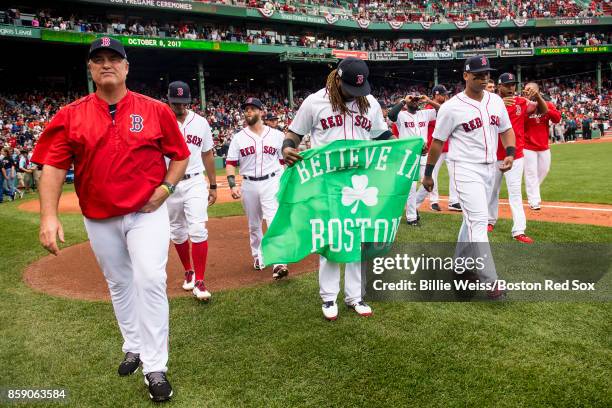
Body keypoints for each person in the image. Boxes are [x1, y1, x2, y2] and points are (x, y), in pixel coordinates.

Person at [31, 37, 189, 402]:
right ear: (89, 69)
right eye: (98, 59)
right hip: (100, 216)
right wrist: (49, 215)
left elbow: (179, 156)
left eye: (113, 58)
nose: (106, 64)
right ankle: (132, 344)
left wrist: (165, 188)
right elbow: (53, 166)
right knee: (118, 283)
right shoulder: (70, 115)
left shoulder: (154, 109)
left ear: (126, 67)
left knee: (149, 278)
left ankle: (154, 367)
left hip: (145, 213)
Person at [282, 57, 392, 320]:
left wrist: (408, 145)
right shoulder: (314, 101)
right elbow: (294, 133)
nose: (356, 95)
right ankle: (329, 297)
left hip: (361, 180)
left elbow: (384, 137)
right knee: (331, 236)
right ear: (338, 79)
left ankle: (355, 297)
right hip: (327, 180)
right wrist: (287, 147)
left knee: (358, 238)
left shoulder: (371, 103)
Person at [422, 55, 516, 300]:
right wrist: (429, 173)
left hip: (490, 168)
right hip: (464, 168)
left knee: (471, 220)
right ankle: (490, 280)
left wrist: (510, 153)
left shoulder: (495, 100)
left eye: (487, 74)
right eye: (478, 74)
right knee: (478, 222)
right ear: (465, 75)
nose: (484, 78)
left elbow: (506, 130)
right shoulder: (452, 106)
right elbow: (437, 142)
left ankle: (459, 267)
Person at [225, 97, 289, 280]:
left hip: (271, 182)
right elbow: (230, 163)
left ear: (261, 112)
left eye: (253, 109)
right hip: (249, 184)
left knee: (274, 221)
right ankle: (258, 256)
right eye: (246, 109)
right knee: (254, 225)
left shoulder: (277, 135)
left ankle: (278, 261)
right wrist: (232, 185)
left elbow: (283, 163)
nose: (248, 112)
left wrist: (285, 183)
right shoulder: (238, 138)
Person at [166, 81, 217, 301]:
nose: (180, 106)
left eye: (183, 102)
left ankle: (200, 280)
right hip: (169, 183)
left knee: (197, 229)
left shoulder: (201, 123)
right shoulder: (160, 120)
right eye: (176, 102)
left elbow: (207, 154)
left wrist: (213, 185)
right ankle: (188, 270)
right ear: (168, 99)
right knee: (177, 231)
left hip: (195, 180)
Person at [487, 73, 547, 244]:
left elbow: (543, 111)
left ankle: (519, 230)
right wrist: (496, 105)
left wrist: (538, 96)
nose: (511, 88)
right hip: (494, 154)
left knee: (515, 193)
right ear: (499, 87)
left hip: (516, 155)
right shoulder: (489, 102)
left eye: (513, 84)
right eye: (507, 85)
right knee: (492, 191)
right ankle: (490, 221)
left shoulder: (521, 101)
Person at [387, 92, 440, 225]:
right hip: (407, 156)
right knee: (410, 187)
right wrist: (404, 101)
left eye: (417, 99)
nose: (415, 101)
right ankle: (411, 217)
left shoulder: (425, 113)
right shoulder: (401, 115)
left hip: (423, 154)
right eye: (413, 99)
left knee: (429, 184)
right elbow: (390, 115)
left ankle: (414, 206)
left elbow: (442, 110)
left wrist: (428, 100)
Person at [523, 82, 561, 210]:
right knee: (531, 173)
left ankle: (533, 190)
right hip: (527, 145)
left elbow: (557, 119)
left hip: (543, 145)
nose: (530, 92)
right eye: (527, 90)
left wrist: (545, 107)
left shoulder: (547, 104)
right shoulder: (523, 105)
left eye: (532, 90)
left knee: (544, 170)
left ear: (538, 91)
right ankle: (534, 200)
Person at [424, 85, 459, 212]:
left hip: (448, 146)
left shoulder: (445, 108)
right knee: (432, 174)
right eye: (443, 94)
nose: (446, 96)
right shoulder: (428, 109)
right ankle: (433, 201)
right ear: (436, 95)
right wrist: (429, 102)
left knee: (454, 173)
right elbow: (440, 111)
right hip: (434, 148)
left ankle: (454, 201)